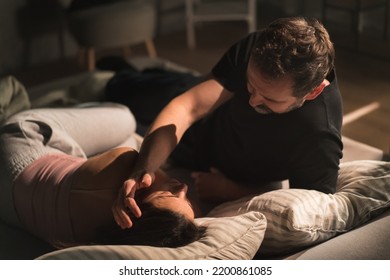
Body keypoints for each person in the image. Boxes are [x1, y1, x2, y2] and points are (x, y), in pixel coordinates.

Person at [113, 16, 343, 229]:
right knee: (119, 87)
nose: (253, 101)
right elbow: (189, 106)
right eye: (251, 85)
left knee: (131, 120)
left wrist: (230, 190)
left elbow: (297, 208)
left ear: (313, 92)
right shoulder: (260, 47)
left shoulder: (319, 136)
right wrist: (144, 168)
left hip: (202, 156)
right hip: (203, 117)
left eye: (270, 99)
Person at [0, 103, 204, 249]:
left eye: (169, 195)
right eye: (186, 199)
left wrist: (140, 171)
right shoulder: (109, 237)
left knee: (125, 117)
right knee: (128, 139)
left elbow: (146, 164)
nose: (183, 188)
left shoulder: (124, 164)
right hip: (8, 206)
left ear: (134, 208)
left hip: (20, 145)